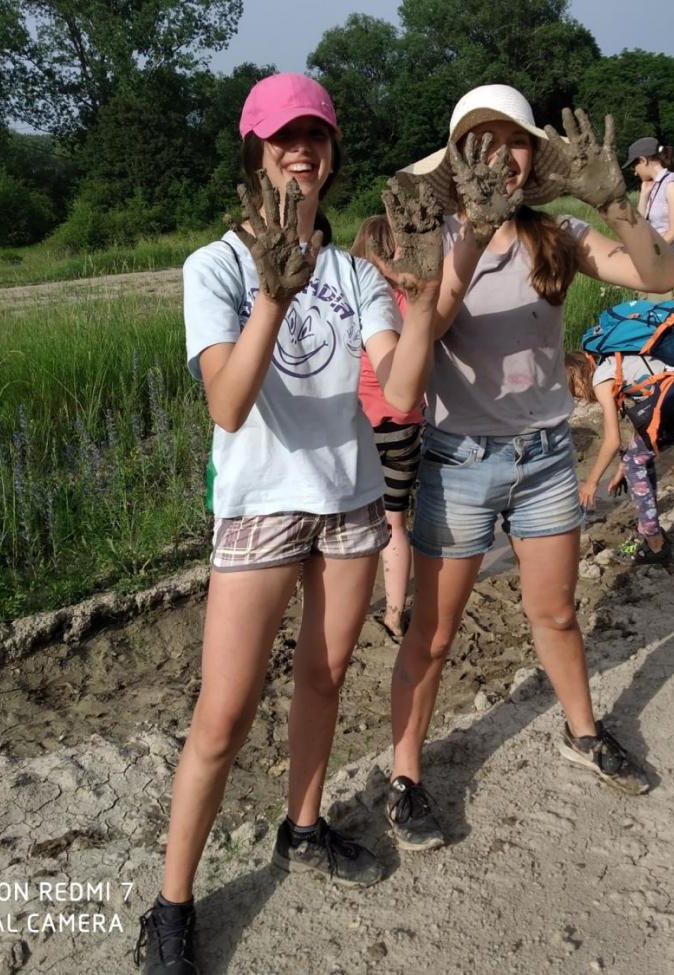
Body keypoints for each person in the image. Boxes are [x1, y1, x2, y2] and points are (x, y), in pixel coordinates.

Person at [137, 73, 443, 975]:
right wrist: (273, 292)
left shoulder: (354, 273)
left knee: (326, 674)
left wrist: (423, 294)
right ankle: (172, 903)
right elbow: (228, 406)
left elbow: (401, 388)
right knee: (223, 714)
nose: (300, 149)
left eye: (315, 135)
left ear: (333, 153)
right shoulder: (217, 266)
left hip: (348, 502)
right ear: (254, 151)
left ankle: (301, 828)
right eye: (282, 137)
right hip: (261, 506)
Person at [384, 84, 674, 851]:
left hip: (548, 455)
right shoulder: (435, 239)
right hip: (460, 461)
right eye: (478, 143)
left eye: (512, 140)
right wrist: (472, 234)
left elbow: (661, 278)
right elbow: (421, 347)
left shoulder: (561, 235)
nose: (499, 155)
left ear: (533, 153)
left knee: (554, 612)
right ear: (457, 161)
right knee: (435, 630)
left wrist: (619, 203)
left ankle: (582, 732)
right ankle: (406, 773)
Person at [566, 351, 674, 565]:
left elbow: (612, 441)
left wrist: (590, 483)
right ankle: (648, 529)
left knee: (634, 462)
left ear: (577, 374)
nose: (579, 396)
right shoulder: (616, 365)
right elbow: (647, 420)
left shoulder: (601, 379)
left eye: (573, 389)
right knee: (635, 459)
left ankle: (655, 544)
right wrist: (624, 464)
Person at [351, 216, 424, 640]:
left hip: (357, 423)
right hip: (403, 423)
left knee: (349, 525)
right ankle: (394, 615)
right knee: (395, 522)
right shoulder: (411, 298)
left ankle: (343, 610)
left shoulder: (351, 294)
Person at [624, 136, 674, 297]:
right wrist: (644, 196)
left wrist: (650, 251)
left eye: (634, 165)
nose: (634, 172)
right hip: (654, 262)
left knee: (668, 318)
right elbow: (638, 225)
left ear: (643, 160)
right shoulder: (654, 186)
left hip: (669, 262)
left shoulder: (672, 184)